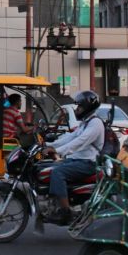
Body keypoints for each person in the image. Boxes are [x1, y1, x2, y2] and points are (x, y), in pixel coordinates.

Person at [42, 90, 105, 224]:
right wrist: (47, 144)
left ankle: (66, 212)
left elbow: (79, 141)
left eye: (80, 107)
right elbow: (69, 137)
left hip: (88, 163)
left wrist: (57, 150)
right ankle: (54, 202)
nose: (77, 109)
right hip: (77, 160)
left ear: (87, 107)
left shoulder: (96, 124)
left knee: (57, 173)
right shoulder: (85, 123)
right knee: (46, 167)